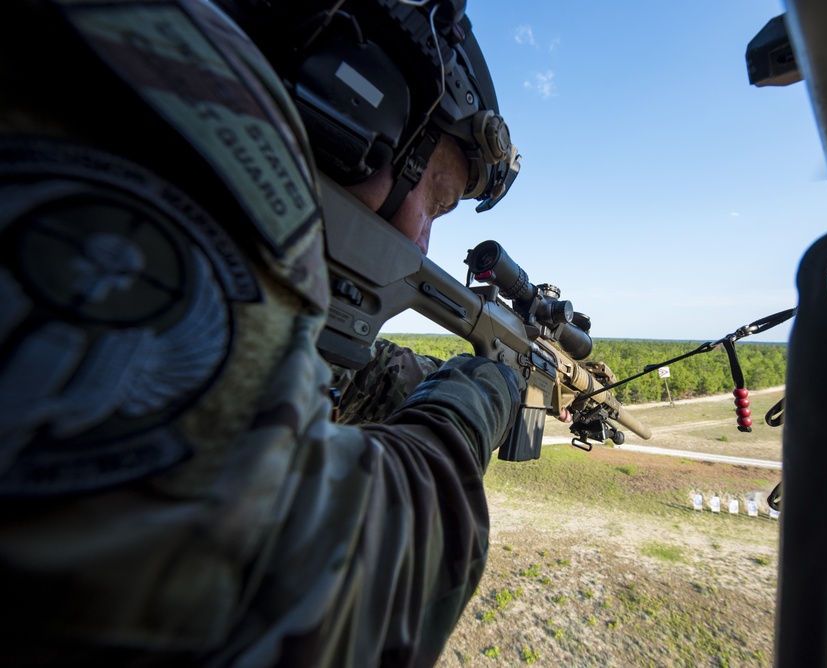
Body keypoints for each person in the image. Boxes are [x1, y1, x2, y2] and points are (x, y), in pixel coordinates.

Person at [0, 0, 523, 665]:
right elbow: (328, 595)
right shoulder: (168, 85)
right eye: (440, 200)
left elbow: (295, 363)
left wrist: (447, 376)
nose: (424, 240)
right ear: (357, 110)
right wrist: (485, 395)